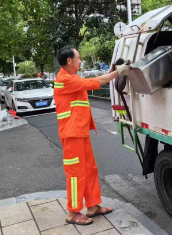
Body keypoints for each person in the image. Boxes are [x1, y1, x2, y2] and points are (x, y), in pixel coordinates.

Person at [54, 46, 130, 226]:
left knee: (89, 169)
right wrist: (117, 73)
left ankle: (93, 206)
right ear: (69, 61)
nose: (80, 61)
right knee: (75, 173)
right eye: (78, 58)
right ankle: (73, 213)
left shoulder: (71, 77)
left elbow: (90, 80)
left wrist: (112, 71)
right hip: (71, 134)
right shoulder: (64, 79)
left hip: (79, 131)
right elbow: (92, 83)